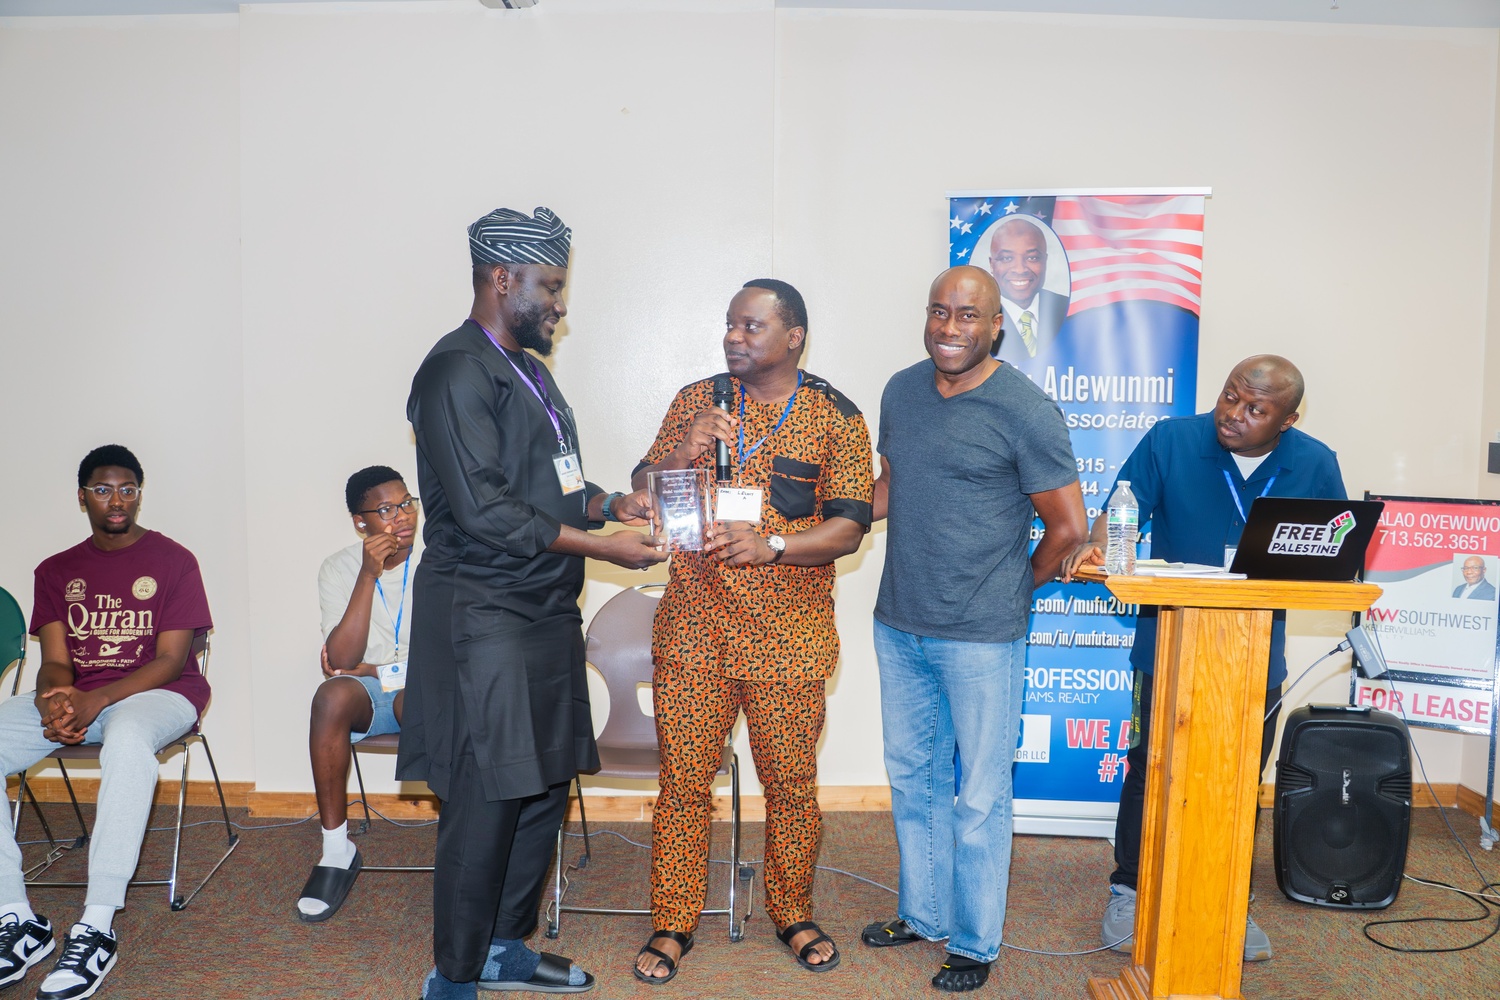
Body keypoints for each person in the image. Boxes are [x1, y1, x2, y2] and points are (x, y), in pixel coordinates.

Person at [403, 206, 666, 1000]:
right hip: (482, 613)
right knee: (489, 793)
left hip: (545, 611)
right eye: (549, 287)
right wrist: (604, 550)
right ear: (501, 278)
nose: (559, 303)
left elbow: (555, 486)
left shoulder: (531, 373)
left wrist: (611, 506)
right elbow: (485, 509)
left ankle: (503, 947)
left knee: (545, 787)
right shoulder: (454, 372)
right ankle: (453, 975)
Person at [1061, 354, 1347, 963]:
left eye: (1255, 409)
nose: (1233, 414)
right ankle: (1130, 888)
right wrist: (1098, 548)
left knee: (1240, 777)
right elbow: (1118, 515)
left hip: (1254, 652)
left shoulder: (1315, 463)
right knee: (1149, 766)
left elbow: (1337, 554)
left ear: (1287, 421)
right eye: (1229, 396)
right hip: (1168, 643)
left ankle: (1229, 900)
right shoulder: (1171, 440)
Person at [629, 278, 872, 984]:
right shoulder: (696, 400)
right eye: (730, 325)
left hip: (789, 641)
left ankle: (792, 912)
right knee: (683, 784)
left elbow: (849, 527)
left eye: (751, 326)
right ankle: (673, 921)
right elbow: (645, 488)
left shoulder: (836, 416)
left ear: (793, 336)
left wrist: (773, 546)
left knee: (791, 787)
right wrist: (684, 448)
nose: (733, 337)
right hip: (695, 634)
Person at [862, 266, 1088, 994]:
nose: (949, 328)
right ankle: (924, 913)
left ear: (996, 326)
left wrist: (1015, 588)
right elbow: (894, 485)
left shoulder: (1025, 410)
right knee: (912, 779)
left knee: (979, 797)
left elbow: (1069, 528)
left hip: (982, 635)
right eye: (939, 312)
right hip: (900, 622)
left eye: (967, 316)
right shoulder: (901, 391)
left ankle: (974, 941)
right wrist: (827, 517)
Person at [0, 445, 212, 1000]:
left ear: (139, 495)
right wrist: (52, 701)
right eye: (102, 490)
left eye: (127, 489)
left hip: (160, 694)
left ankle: (96, 924)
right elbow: (56, 662)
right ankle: (16, 918)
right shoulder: (55, 569)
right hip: (83, 695)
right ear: (82, 497)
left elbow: (171, 660)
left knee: (127, 737)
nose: (116, 500)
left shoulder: (174, 560)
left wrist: (96, 702)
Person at [295, 466, 421, 922]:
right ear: (359, 522)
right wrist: (368, 575)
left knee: (414, 698)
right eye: (385, 510)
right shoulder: (339, 567)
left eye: (406, 503)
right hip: (369, 692)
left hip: (425, 687)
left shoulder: (442, 557)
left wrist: (378, 669)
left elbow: (452, 655)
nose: (402, 516)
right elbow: (342, 659)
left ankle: (462, 842)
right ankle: (335, 850)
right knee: (330, 697)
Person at [985, 217, 1069, 364]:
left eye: (1032, 258)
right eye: (1006, 258)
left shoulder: (1068, 310)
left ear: (1045, 261)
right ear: (992, 265)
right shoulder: (978, 315)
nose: (1020, 269)